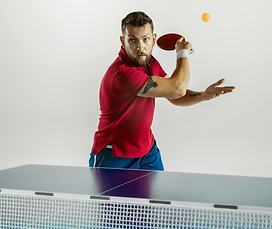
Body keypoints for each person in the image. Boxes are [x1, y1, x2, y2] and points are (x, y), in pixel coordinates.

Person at [89, 11, 234, 171]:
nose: (140, 47)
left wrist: (203, 96)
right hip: (114, 154)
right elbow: (177, 88)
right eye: (132, 40)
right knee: (116, 197)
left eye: (145, 39)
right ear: (123, 41)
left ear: (154, 39)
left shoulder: (151, 64)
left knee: (158, 196)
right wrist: (182, 53)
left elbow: (175, 95)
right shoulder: (122, 75)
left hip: (147, 151)